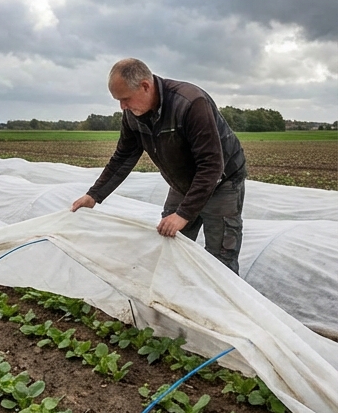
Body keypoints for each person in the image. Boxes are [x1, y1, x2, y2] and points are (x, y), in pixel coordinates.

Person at [70, 58, 248, 273]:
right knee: (169, 243)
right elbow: (123, 157)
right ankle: (177, 291)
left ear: (145, 86)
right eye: (118, 100)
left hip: (223, 182)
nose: (122, 107)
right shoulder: (133, 114)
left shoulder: (190, 103)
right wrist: (94, 195)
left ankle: (219, 293)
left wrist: (183, 214)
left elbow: (211, 164)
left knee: (220, 258)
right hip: (182, 182)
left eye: (125, 99)